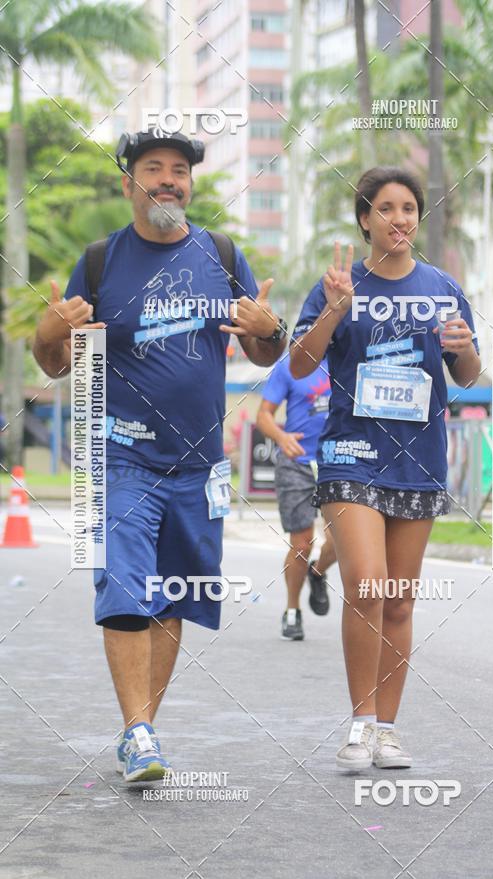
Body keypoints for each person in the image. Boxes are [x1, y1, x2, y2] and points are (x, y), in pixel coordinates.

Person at [33, 130, 287, 782]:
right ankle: (142, 733)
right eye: (155, 169)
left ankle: (137, 731)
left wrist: (271, 333)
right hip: (120, 455)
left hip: (199, 465)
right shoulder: (100, 263)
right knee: (125, 580)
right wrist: (48, 334)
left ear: (191, 184)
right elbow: (56, 362)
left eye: (179, 170)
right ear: (130, 184)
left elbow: (261, 349)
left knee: (173, 595)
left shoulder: (222, 256)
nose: (169, 180)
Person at [289, 166, 481, 771]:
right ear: (365, 218)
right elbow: (297, 364)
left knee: (398, 600)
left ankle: (390, 730)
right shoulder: (338, 286)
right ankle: (360, 722)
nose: (400, 219)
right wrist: (335, 310)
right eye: (387, 208)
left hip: (419, 458)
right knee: (367, 584)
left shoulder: (444, 288)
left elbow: (469, 376)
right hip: (351, 453)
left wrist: (465, 348)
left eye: (409, 209)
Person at [257, 355, 337, 640]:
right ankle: (292, 610)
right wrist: (281, 437)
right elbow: (264, 415)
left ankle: (318, 573)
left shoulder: (349, 356)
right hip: (296, 461)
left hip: (340, 460)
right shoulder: (290, 365)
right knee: (302, 543)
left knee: (342, 540)